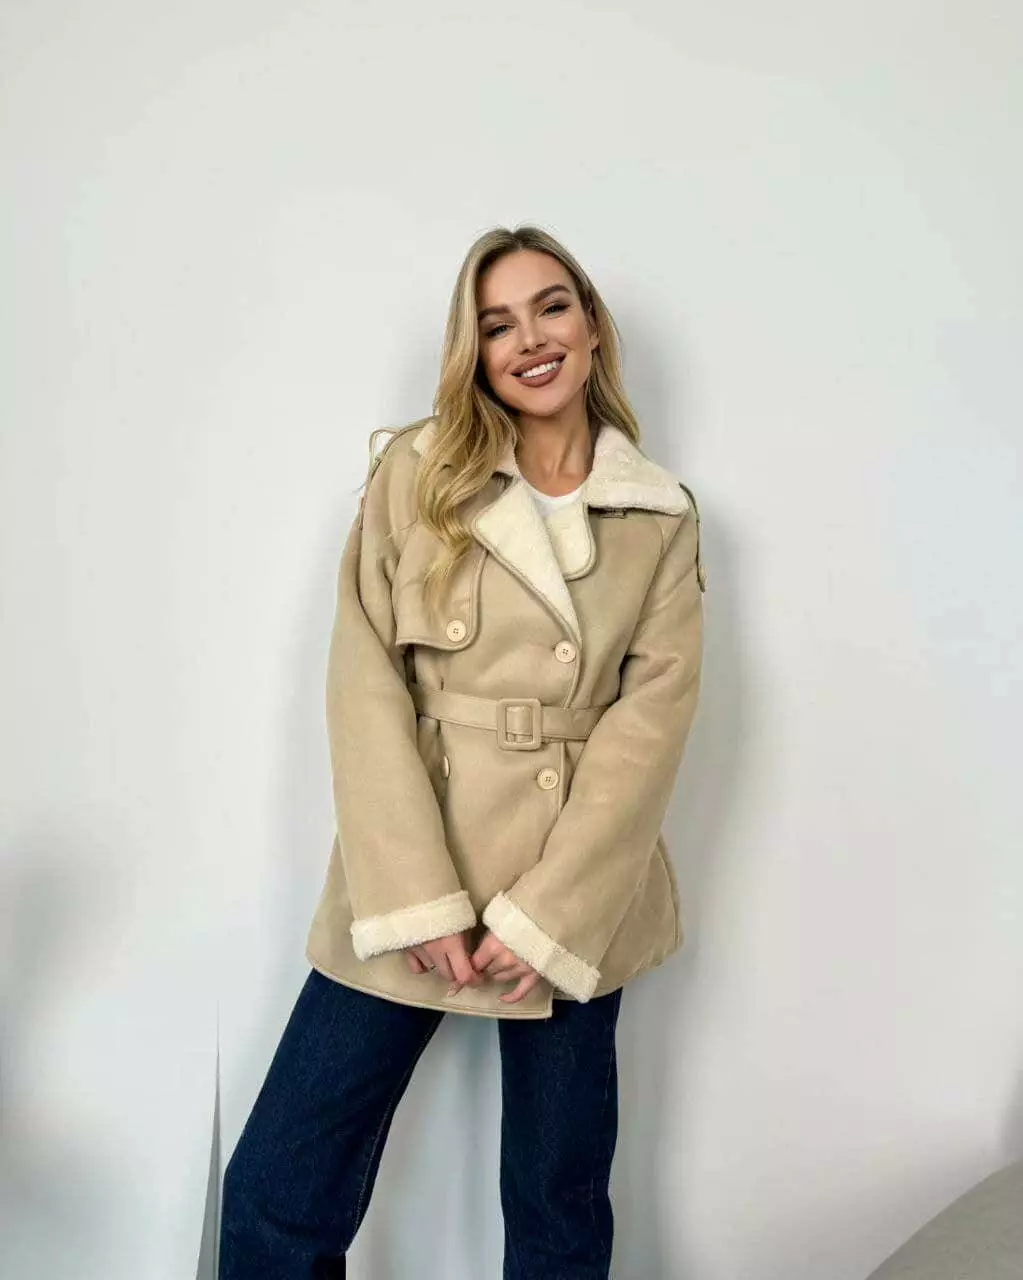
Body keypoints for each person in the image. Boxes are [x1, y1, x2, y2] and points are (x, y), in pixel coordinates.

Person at [218, 224, 707, 1279]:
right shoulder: (419, 471)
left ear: (590, 324)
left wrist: (550, 915)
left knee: (557, 1203)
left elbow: (650, 724)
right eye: (496, 324)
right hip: (417, 857)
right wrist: (417, 897)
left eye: (551, 306)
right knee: (275, 1189)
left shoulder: (658, 513)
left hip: (576, 885)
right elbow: (364, 685)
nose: (530, 339)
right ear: (473, 351)